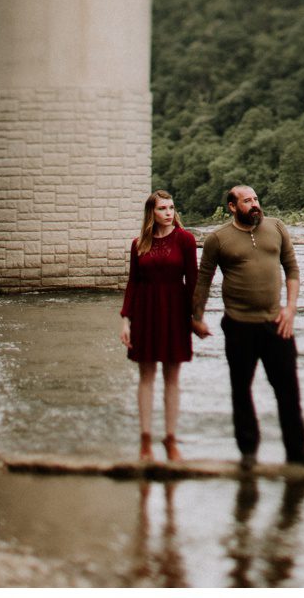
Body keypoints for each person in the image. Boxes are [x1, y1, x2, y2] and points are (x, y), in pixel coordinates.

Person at [191, 185, 304, 468]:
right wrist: (197, 317)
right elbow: (204, 279)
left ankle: (297, 451)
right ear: (233, 207)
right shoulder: (218, 239)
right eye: (247, 201)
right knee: (241, 389)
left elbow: (292, 269)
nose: (254, 204)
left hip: (277, 323)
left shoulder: (276, 227)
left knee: (288, 389)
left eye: (256, 199)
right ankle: (248, 453)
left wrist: (290, 308)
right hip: (238, 325)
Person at [119, 190, 198, 462]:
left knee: (172, 378)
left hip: (175, 312)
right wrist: (125, 319)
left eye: (172, 207)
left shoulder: (185, 240)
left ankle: (170, 438)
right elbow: (133, 282)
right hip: (145, 312)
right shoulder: (139, 243)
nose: (168, 212)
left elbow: (193, 282)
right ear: (151, 212)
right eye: (163, 208)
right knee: (146, 376)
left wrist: (195, 319)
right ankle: (145, 440)